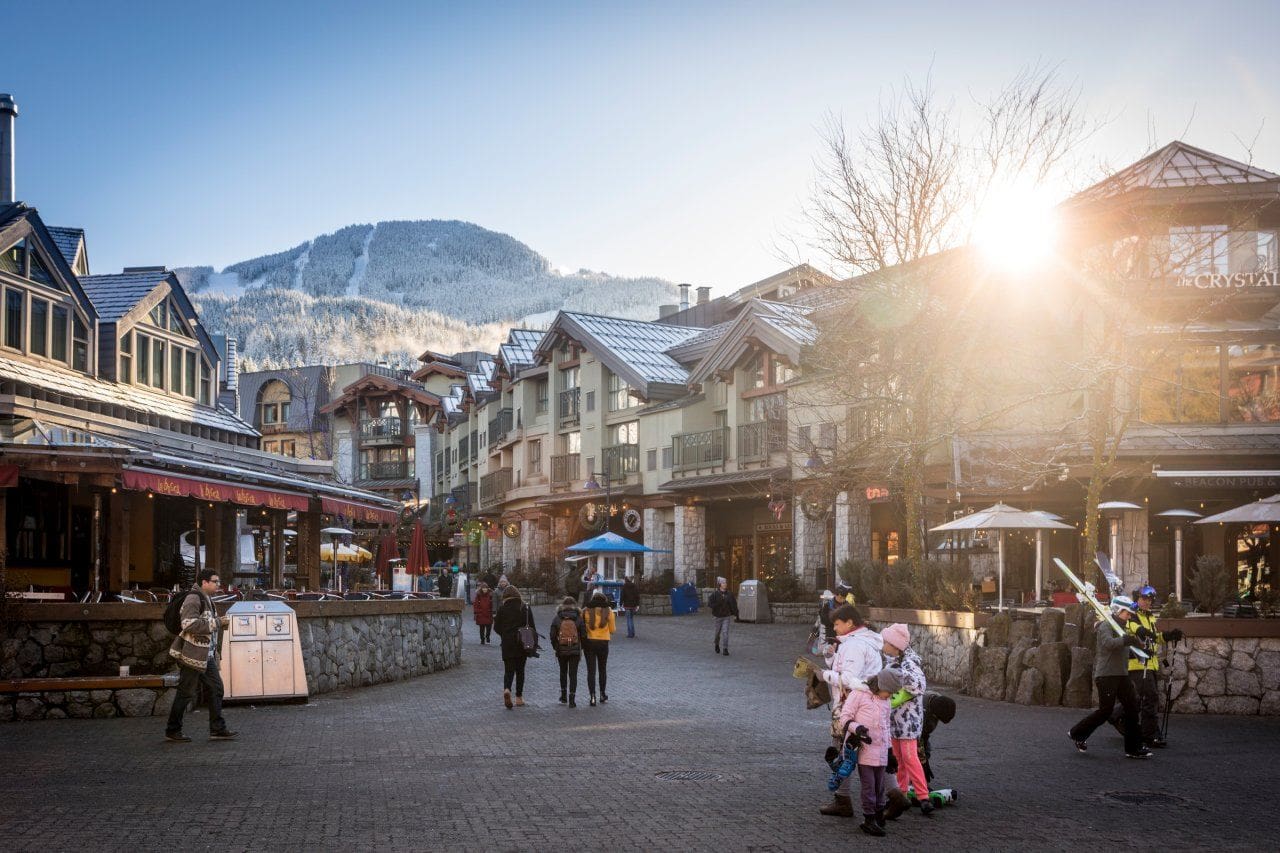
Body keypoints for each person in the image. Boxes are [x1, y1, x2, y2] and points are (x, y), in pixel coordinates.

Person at [818, 604, 884, 817]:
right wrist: (831, 658)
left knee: (842, 753)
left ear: (849, 623)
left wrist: (823, 675)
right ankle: (893, 795)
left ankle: (844, 799)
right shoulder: (863, 641)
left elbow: (849, 678)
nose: (835, 629)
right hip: (868, 705)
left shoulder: (854, 645)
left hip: (852, 705)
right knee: (875, 754)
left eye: (837, 624)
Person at [1068, 595, 1150, 759]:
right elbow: (1108, 644)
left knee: (1132, 708)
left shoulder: (1123, 629)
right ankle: (1076, 733)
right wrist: (1126, 640)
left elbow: (1124, 649)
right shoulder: (1105, 626)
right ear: (1118, 611)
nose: (1129, 616)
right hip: (1106, 675)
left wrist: (1141, 652)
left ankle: (1133, 748)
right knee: (1105, 711)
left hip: (1121, 675)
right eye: (1127, 613)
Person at [164, 569, 235, 743]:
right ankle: (173, 729)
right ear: (204, 582)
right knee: (186, 692)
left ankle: (217, 729)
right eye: (215, 581)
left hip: (205, 654)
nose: (218, 585)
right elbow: (188, 624)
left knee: (216, 688)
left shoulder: (207, 599)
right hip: (192, 654)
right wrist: (218, 622)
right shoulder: (194, 598)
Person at [1114, 584, 1184, 748]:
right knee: (1150, 697)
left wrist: (1168, 636)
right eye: (1144, 599)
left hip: (1150, 663)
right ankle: (1149, 735)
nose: (1148, 602)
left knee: (1138, 699)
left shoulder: (1149, 617)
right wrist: (1142, 631)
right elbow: (1129, 626)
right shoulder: (1131, 613)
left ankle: (1116, 715)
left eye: (1150, 599)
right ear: (1137, 599)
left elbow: (1154, 637)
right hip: (1137, 662)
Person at [880, 623, 932, 816]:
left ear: (896, 645)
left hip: (908, 720)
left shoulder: (908, 663)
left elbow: (919, 685)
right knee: (899, 759)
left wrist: (898, 678)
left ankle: (923, 796)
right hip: (895, 720)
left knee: (909, 758)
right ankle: (901, 794)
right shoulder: (893, 659)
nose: (883, 644)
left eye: (886, 641)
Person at [839, 668, 896, 836]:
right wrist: (858, 729)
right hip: (864, 749)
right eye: (889, 692)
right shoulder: (858, 694)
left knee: (880, 786)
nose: (890, 696)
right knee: (869, 786)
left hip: (881, 751)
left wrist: (890, 751)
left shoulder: (886, 701)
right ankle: (869, 818)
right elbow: (845, 717)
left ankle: (879, 815)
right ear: (880, 685)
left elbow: (886, 728)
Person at [494, 585, 535, 709]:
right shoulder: (525, 607)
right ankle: (519, 697)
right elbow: (532, 626)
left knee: (508, 670)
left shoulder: (502, 608)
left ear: (505, 596)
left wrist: (504, 634)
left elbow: (496, 627)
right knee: (520, 670)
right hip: (522, 642)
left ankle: (507, 689)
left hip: (507, 643)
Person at [549, 596, 587, 707]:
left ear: (563, 605)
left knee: (563, 672)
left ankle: (563, 696)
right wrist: (581, 647)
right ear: (574, 605)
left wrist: (556, 647)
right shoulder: (578, 618)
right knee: (573, 674)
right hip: (575, 649)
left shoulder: (557, 618)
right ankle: (572, 698)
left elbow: (552, 635)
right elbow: (584, 635)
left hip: (561, 649)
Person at [582, 591, 616, 706]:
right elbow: (612, 630)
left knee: (591, 671)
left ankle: (592, 696)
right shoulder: (609, 611)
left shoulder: (586, 610)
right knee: (602, 669)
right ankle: (602, 694)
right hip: (603, 642)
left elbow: (582, 628)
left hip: (590, 642)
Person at [709, 577, 738, 656]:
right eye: (723, 583)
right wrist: (717, 604)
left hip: (726, 616)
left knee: (725, 633)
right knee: (717, 633)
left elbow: (734, 605)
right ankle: (716, 644)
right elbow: (710, 604)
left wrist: (736, 614)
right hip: (718, 616)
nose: (725, 584)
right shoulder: (715, 594)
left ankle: (725, 648)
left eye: (726, 583)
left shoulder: (729, 594)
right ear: (720, 584)